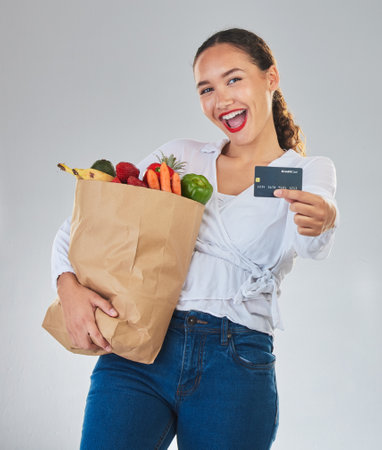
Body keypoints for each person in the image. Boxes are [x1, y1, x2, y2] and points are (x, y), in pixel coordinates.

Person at [51, 28, 339, 450]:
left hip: (237, 361)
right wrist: (67, 284)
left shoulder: (305, 171)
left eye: (234, 79)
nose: (221, 99)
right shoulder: (182, 157)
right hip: (141, 347)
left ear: (271, 78)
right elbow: (90, 219)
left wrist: (324, 219)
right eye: (207, 88)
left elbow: (313, 241)